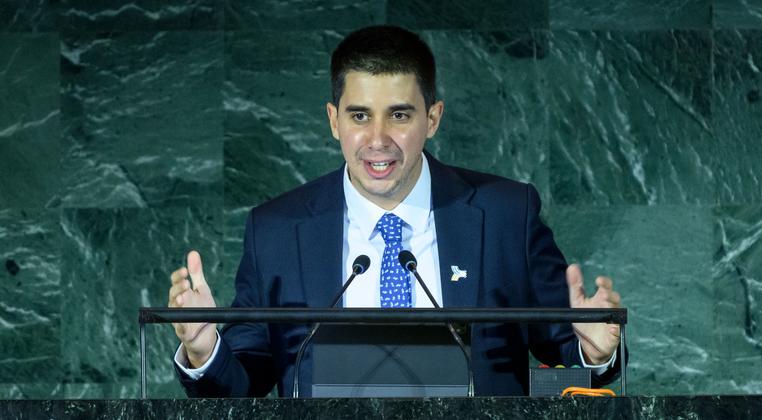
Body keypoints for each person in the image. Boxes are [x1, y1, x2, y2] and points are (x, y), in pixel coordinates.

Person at [167, 25, 624, 397]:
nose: (378, 139)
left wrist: (596, 353)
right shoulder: (277, 230)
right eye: (360, 116)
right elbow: (244, 385)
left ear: (433, 118)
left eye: (400, 115)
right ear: (333, 120)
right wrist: (205, 350)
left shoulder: (506, 214)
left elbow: (567, 348)